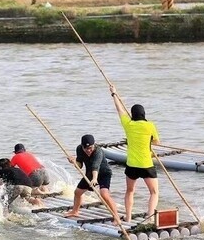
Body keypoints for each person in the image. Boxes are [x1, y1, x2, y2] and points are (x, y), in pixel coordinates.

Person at [110, 85, 159, 223]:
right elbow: (157, 142)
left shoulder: (128, 124)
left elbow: (119, 110)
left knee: (130, 191)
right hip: (146, 165)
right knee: (154, 192)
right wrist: (149, 143)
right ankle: (149, 217)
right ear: (144, 114)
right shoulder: (150, 125)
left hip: (131, 165)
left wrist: (114, 94)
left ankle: (129, 217)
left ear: (133, 114)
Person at [64, 134, 121, 222]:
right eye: (86, 148)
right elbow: (80, 165)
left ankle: (116, 217)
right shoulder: (79, 149)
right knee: (77, 192)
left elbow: (95, 166)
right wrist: (74, 162)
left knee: (104, 194)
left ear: (94, 145)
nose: (89, 150)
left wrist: (95, 179)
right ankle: (75, 211)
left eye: (91, 148)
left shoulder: (98, 151)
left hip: (104, 174)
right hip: (90, 174)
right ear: (82, 147)